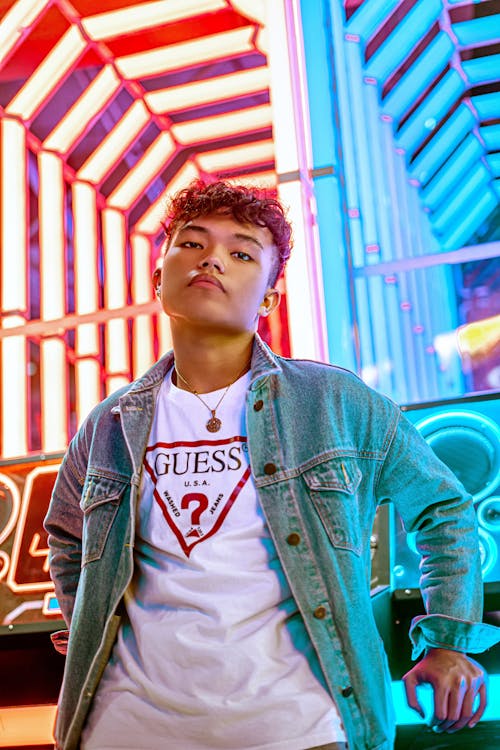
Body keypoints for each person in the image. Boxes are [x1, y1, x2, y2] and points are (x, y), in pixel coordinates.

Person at [45, 179, 499, 750]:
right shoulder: (107, 424)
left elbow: (443, 507)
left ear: (269, 298)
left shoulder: (335, 402)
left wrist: (448, 640)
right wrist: (94, 629)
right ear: (159, 277)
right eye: (192, 243)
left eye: (240, 253)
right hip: (124, 729)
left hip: (297, 729)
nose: (212, 258)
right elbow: (66, 538)